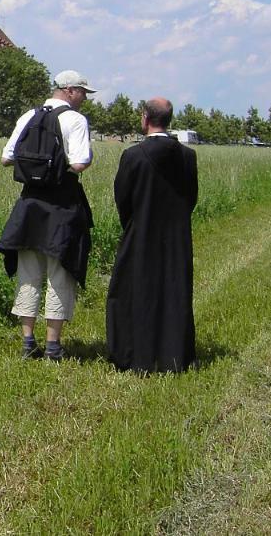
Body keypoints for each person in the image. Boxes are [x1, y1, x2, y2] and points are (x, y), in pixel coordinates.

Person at [0, 70, 96, 361]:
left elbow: (6, 158)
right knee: (59, 274)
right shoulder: (75, 120)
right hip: (61, 206)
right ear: (68, 90)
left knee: (28, 275)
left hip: (29, 207)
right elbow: (79, 163)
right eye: (82, 92)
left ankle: (28, 343)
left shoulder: (28, 116)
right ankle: (53, 346)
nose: (84, 99)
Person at [107, 97, 199, 373]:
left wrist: (133, 225)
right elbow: (190, 198)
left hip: (141, 232)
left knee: (135, 292)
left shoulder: (133, 156)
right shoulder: (187, 156)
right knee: (174, 291)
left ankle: (136, 355)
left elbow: (122, 198)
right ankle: (173, 356)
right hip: (177, 237)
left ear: (145, 117)